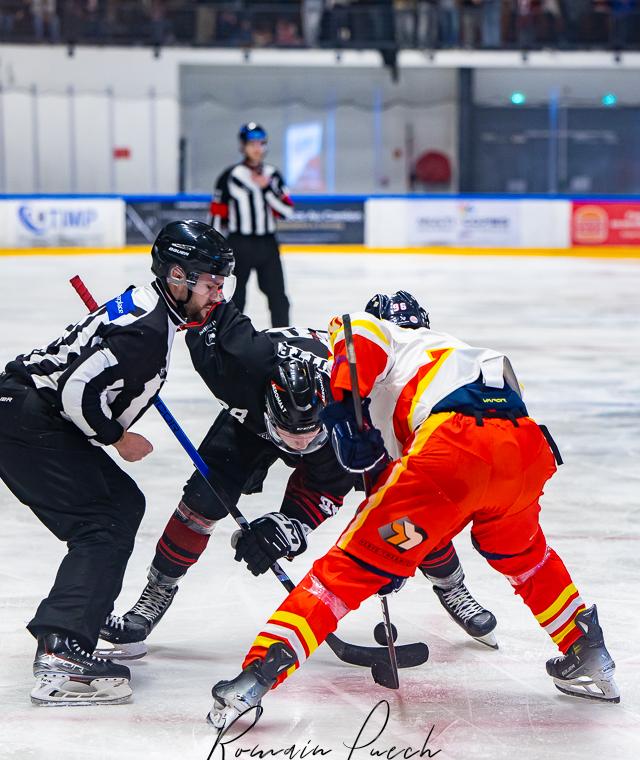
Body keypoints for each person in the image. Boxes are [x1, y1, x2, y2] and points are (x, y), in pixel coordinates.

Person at [209, 289, 620, 730]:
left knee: (347, 570)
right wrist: (396, 549)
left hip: (453, 446)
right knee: (526, 558)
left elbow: (355, 329)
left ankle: (255, 676)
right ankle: (587, 651)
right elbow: (419, 484)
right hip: (524, 451)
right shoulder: (452, 353)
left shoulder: (389, 337)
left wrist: (347, 411)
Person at [99, 299, 497, 658]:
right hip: (252, 423)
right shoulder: (239, 374)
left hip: (330, 419)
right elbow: (201, 322)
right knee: (203, 500)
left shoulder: (352, 407)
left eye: (308, 436)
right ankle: (157, 590)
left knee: (400, 507)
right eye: (292, 437)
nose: (301, 446)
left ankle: (452, 584)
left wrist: (289, 528)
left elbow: (325, 491)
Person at [0, 219, 235, 706]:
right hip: (27, 420)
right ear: (178, 276)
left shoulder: (152, 312)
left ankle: (85, 614)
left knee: (123, 502)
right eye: (211, 283)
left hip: (27, 413)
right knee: (103, 522)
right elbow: (76, 390)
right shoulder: (147, 330)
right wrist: (117, 437)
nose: (217, 294)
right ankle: (61, 651)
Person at [210, 122, 294, 327]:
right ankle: (231, 338)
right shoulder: (230, 176)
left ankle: (282, 338)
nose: (257, 148)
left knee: (278, 298)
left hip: (267, 245)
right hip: (239, 244)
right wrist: (214, 247)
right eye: (252, 144)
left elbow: (287, 211)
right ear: (243, 146)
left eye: (261, 143)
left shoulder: (273, 175)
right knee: (235, 298)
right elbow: (217, 214)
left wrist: (266, 189)